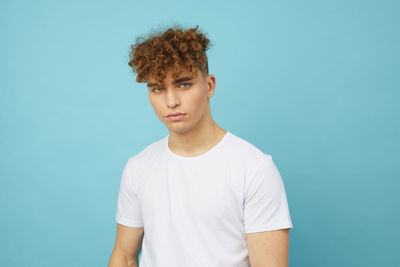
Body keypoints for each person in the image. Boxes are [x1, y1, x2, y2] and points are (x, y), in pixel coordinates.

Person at [108, 25, 293, 267]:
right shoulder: (138, 167)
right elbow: (124, 256)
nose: (171, 101)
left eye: (184, 84)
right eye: (158, 88)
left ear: (209, 86)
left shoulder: (254, 169)